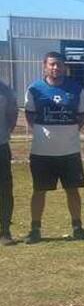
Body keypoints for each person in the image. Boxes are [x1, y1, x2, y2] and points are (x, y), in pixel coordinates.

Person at [24, 52, 84, 243]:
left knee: (73, 190)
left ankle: (78, 228)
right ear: (44, 65)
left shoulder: (76, 89)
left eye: (60, 65)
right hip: (42, 151)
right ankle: (35, 230)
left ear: (65, 67)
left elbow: (82, 116)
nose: (56, 68)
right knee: (39, 190)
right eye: (53, 64)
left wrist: (68, 131)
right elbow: (30, 116)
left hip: (69, 151)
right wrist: (43, 131)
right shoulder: (34, 89)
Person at [0, 78, 18, 246]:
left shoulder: (5, 90)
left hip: (1, 147)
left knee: (4, 190)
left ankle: (4, 231)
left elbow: (12, 116)